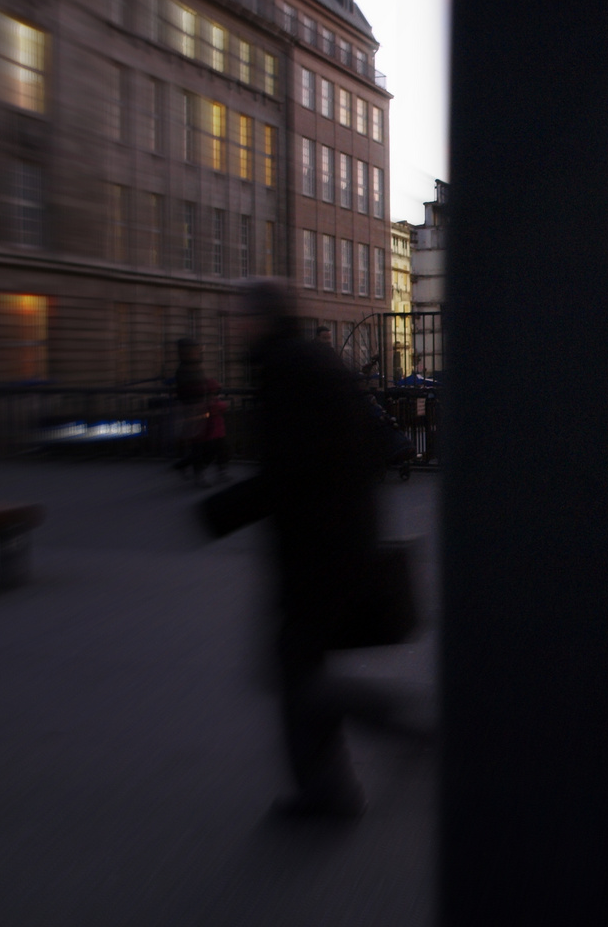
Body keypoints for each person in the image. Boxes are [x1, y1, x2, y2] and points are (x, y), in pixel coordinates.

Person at [231, 282, 399, 819]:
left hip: (316, 547)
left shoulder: (287, 370)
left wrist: (220, 512)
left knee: (297, 673)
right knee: (302, 668)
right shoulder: (311, 361)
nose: (235, 325)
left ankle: (375, 739)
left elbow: (289, 470)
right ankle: (332, 785)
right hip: (337, 537)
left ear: (260, 319)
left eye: (240, 316)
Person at [169, 338, 207, 480]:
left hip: (198, 407)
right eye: (196, 349)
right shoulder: (186, 368)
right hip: (192, 408)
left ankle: (185, 466)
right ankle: (196, 471)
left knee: (199, 442)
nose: (199, 352)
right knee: (198, 442)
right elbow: (187, 389)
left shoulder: (194, 366)